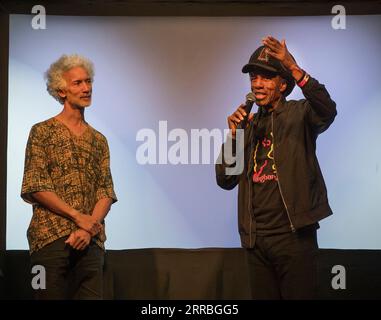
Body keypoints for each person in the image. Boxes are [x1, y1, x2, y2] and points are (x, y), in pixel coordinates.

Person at [215, 36, 337, 299]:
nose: (257, 84)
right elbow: (225, 179)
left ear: (283, 84)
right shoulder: (246, 125)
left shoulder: (300, 114)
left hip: (294, 238)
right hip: (256, 241)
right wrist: (234, 138)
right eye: (253, 78)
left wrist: (293, 67)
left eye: (266, 78)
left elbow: (327, 110)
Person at [21, 54, 117, 299]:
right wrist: (77, 217)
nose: (86, 88)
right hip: (50, 240)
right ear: (61, 90)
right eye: (78, 83)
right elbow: (35, 185)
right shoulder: (42, 132)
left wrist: (88, 228)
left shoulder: (99, 140)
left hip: (91, 243)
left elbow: (105, 191)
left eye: (88, 81)